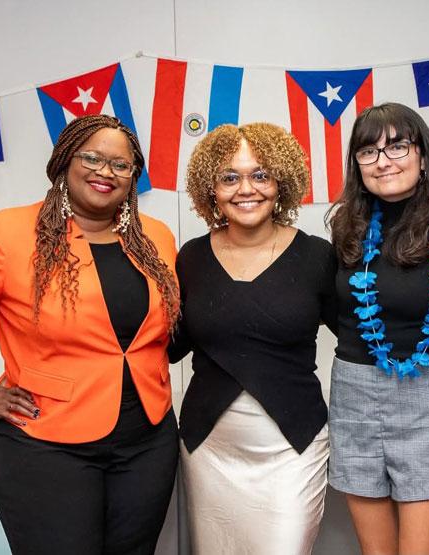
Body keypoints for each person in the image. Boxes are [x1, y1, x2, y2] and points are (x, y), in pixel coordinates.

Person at [0, 114, 181, 555]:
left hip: (148, 442)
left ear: (133, 177)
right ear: (65, 161)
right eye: (92, 157)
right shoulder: (10, 234)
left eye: (121, 165)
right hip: (47, 445)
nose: (105, 172)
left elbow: (158, 332)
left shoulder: (157, 238)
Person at [170, 122, 336, 555]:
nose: (246, 188)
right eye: (230, 177)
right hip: (211, 447)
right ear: (212, 190)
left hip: (292, 445)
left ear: (282, 182)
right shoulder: (190, 258)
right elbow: (167, 345)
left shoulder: (318, 256)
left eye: (260, 174)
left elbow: (360, 338)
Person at [326, 102, 429, 555]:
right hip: (355, 393)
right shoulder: (345, 228)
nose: (384, 161)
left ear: (423, 156)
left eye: (397, 146)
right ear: (356, 165)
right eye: (368, 151)